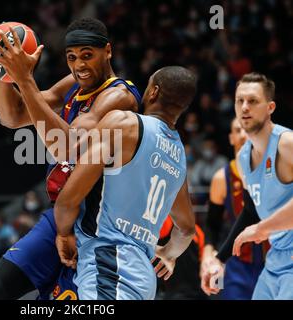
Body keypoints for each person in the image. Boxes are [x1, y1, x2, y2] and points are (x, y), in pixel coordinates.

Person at [0, 18, 141, 300]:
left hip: (94, 223)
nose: (79, 66)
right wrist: (3, 70)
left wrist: (25, 79)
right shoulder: (74, 84)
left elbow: (67, 146)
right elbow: (12, 116)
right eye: (72, 57)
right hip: (59, 215)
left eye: (88, 56)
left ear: (108, 51)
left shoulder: (119, 96)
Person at [54, 66, 197, 299]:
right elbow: (186, 229)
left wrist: (62, 233)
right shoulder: (179, 154)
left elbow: (68, 199)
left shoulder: (124, 123)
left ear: (153, 92)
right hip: (144, 280)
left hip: (109, 266)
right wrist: (168, 254)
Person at [201, 72, 293, 300]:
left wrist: (263, 229)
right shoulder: (243, 158)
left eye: (252, 101)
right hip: (276, 261)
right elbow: (251, 210)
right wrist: (219, 259)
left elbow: (258, 225)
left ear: (270, 107)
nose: (244, 107)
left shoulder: (287, 144)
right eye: (239, 101)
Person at [200, 117, 268, 299]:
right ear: (231, 138)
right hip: (234, 264)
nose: (243, 135)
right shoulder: (221, 178)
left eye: (247, 129)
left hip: (272, 263)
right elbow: (212, 226)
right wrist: (208, 256)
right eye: (238, 130)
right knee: (215, 290)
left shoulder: (272, 171)